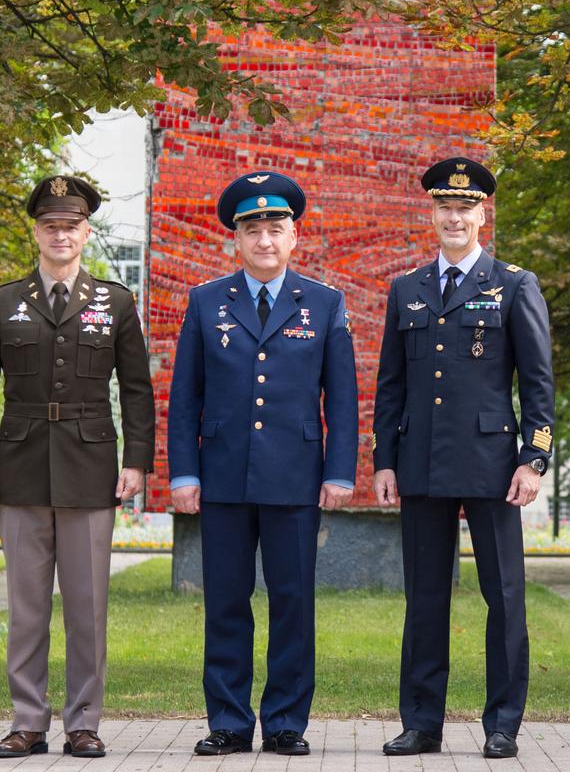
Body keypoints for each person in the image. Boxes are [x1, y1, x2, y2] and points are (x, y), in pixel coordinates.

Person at [0, 175, 155, 760]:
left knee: (87, 607)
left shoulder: (115, 302)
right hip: (18, 465)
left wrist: (137, 463)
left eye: (71, 226)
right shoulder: (1, 302)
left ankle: (83, 723)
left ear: (86, 231)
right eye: (51, 226)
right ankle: (27, 720)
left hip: (91, 465)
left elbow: (138, 391)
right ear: (37, 232)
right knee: (27, 607)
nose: (61, 235)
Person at [168, 171, 358, 757]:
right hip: (222, 474)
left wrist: (339, 470)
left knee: (293, 602)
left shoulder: (324, 303)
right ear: (236, 240)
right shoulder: (205, 301)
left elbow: (343, 396)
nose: (265, 240)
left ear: (294, 235)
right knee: (226, 600)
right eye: (253, 230)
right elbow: (184, 396)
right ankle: (227, 720)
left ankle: (284, 723)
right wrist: (183, 472)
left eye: (275, 228)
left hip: (295, 476)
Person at [373, 156, 554, 761]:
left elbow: (538, 384)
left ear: (484, 214)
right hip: (422, 462)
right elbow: (391, 387)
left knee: (502, 596)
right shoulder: (408, 290)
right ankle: (421, 723)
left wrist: (535, 459)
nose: (456, 217)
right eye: (445, 208)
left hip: (493, 465)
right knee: (424, 597)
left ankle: (503, 723)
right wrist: (385, 461)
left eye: (466, 208)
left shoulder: (515, 285)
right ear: (432, 214)